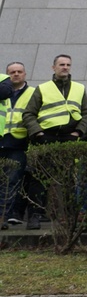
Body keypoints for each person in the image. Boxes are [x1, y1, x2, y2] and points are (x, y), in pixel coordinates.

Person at [21, 54, 87, 229]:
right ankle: (35, 216)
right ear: (54, 68)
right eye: (61, 64)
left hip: (68, 137)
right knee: (39, 178)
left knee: (67, 178)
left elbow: (86, 113)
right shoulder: (43, 88)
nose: (65, 67)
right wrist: (38, 133)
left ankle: (67, 216)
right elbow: (29, 114)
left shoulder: (79, 88)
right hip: (46, 137)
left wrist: (78, 132)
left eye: (68, 64)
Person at [1, 62, 32, 230]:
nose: (16, 74)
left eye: (19, 71)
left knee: (12, 181)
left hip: (18, 143)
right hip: (1, 141)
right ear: (7, 75)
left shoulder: (33, 93)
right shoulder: (2, 91)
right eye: (12, 72)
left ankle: (5, 215)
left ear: (25, 74)